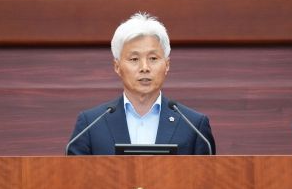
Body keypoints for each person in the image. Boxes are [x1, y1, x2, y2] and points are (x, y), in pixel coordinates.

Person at [67, 12, 215, 155]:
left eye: (153, 58)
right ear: (117, 66)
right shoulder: (90, 125)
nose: (144, 68)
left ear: (167, 65)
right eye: (134, 59)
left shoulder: (194, 126)